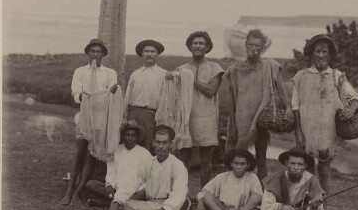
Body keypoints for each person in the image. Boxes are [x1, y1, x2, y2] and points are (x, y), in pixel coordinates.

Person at [291, 34, 358, 194]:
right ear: (312, 54)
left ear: (330, 55)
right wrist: (298, 134)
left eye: (325, 52)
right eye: (318, 51)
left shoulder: (337, 76)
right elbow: (295, 107)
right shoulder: (301, 76)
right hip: (307, 131)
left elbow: (355, 98)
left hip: (327, 133)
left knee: (324, 171)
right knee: (306, 173)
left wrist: (349, 110)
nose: (321, 55)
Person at [223, 29, 290, 180]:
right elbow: (233, 99)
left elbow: (281, 89)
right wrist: (232, 124)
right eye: (251, 45)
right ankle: (237, 193)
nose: (254, 49)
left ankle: (261, 195)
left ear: (262, 47)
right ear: (246, 45)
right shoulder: (236, 70)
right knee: (239, 160)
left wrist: (289, 108)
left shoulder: (269, 66)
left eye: (258, 46)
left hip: (261, 119)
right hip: (242, 121)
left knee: (261, 161)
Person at [60, 38, 120, 206]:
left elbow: (112, 91)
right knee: (79, 152)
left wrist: (108, 92)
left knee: (92, 154)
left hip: (101, 118)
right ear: (88, 53)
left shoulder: (109, 73)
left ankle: (79, 192)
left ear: (103, 54)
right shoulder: (80, 71)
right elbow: (76, 92)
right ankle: (69, 191)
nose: (95, 54)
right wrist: (83, 96)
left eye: (98, 52)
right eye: (92, 51)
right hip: (85, 115)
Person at [108, 125, 189, 210]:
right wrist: (116, 201)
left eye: (164, 143)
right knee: (121, 206)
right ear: (153, 143)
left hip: (171, 205)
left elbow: (180, 192)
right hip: (151, 204)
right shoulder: (149, 162)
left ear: (170, 145)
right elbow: (133, 183)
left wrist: (165, 209)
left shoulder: (178, 165)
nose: (160, 146)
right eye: (158, 142)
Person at [178, 31, 224, 188]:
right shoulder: (181, 68)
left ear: (207, 47)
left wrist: (190, 78)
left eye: (201, 43)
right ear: (190, 46)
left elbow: (211, 90)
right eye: (195, 43)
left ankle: (205, 195)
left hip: (206, 119)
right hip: (186, 118)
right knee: (183, 160)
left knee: (206, 160)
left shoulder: (214, 67)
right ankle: (181, 195)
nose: (197, 46)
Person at [256, 147, 328, 210]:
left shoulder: (312, 180)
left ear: (305, 165)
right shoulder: (275, 177)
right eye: (292, 163)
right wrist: (281, 207)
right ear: (286, 163)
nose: (296, 168)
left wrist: (314, 208)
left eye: (299, 164)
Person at [196, 149, 262, 210]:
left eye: (242, 164)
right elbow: (204, 192)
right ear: (231, 164)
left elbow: (257, 198)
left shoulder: (252, 178)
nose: (239, 167)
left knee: (254, 198)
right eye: (236, 163)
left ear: (248, 165)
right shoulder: (223, 177)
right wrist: (200, 201)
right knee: (207, 196)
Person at [84, 120, 151, 207]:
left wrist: (140, 190)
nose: (130, 138)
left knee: (145, 192)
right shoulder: (116, 150)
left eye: (133, 135)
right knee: (91, 184)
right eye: (128, 135)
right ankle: (119, 203)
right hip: (117, 189)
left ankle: (107, 204)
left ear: (137, 137)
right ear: (123, 137)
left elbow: (148, 178)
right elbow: (111, 172)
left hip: (135, 191)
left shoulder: (145, 153)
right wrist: (110, 186)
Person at [123, 39, 168, 152]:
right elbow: (128, 96)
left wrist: (160, 118)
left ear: (157, 54)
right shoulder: (135, 74)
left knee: (148, 146)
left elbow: (165, 99)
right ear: (142, 54)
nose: (149, 54)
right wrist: (124, 116)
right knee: (131, 145)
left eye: (152, 51)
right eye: (146, 51)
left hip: (151, 115)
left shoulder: (164, 74)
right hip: (133, 114)